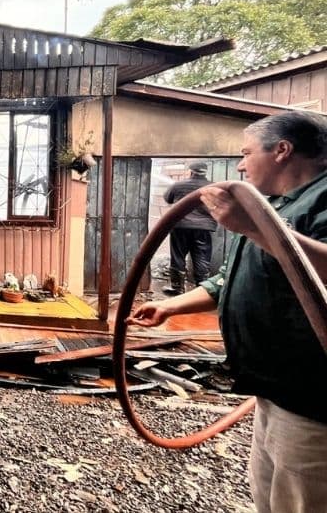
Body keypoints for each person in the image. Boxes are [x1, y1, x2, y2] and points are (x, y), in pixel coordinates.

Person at [130, 111, 327, 513]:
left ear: (282, 151)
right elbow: (228, 278)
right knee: (270, 496)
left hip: (314, 395)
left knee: (304, 501)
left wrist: (252, 227)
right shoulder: (273, 204)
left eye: (245, 152)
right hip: (273, 387)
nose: (239, 164)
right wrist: (170, 306)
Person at [162, 161, 216, 294]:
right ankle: (202, 290)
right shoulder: (213, 187)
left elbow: (168, 199)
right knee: (202, 257)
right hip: (204, 228)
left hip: (181, 226)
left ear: (191, 171)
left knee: (178, 256)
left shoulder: (178, 185)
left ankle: (177, 288)